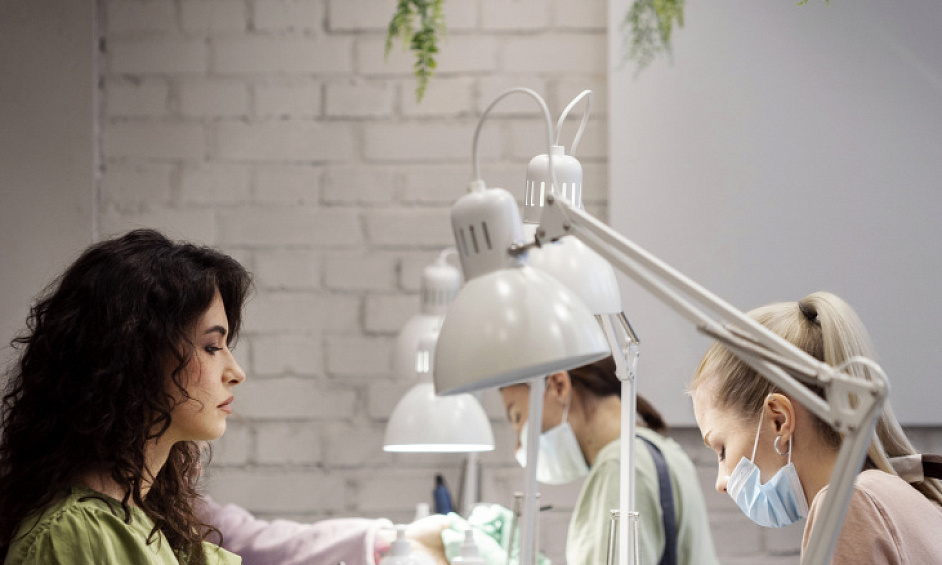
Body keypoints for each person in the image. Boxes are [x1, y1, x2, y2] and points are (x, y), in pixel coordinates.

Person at [0, 229, 251, 564]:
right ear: (137, 356)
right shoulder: (78, 533)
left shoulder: (145, 526)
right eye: (211, 347)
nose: (236, 372)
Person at [690, 291, 942, 564]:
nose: (721, 484)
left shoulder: (848, 505)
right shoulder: (895, 497)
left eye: (722, 450)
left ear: (779, 420)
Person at [500, 356, 719, 565]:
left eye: (518, 417)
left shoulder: (622, 467)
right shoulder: (660, 451)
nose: (518, 446)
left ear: (558, 385)